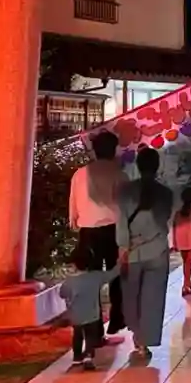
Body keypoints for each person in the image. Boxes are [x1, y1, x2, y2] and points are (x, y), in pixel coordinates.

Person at [117, 146, 175, 360]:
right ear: (157, 166)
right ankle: (144, 342)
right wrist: (146, 237)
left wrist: (124, 246)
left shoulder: (124, 191)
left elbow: (121, 222)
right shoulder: (166, 193)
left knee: (131, 296)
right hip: (157, 249)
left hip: (131, 252)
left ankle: (137, 335)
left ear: (138, 166)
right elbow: (163, 222)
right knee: (153, 298)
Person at [68, 131, 127, 336]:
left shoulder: (80, 174)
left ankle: (95, 331)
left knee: (90, 282)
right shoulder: (119, 174)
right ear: (113, 150)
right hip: (113, 230)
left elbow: (73, 209)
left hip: (88, 232)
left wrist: (77, 224)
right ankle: (116, 320)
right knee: (116, 276)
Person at [59, 244, 120, 370]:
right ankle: (88, 355)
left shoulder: (70, 281)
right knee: (90, 336)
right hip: (92, 315)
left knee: (77, 335)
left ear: (74, 263)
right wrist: (121, 262)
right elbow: (112, 274)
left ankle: (76, 357)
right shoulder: (96, 277)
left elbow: (62, 294)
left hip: (76, 315)